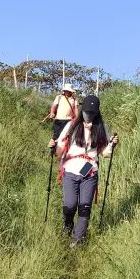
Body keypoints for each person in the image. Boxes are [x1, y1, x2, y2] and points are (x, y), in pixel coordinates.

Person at [49, 94, 118, 247]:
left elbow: (105, 153)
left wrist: (112, 144)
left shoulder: (101, 127)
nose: (89, 116)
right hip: (70, 170)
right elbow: (60, 149)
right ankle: (67, 226)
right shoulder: (72, 125)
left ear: (97, 112)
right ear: (82, 110)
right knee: (70, 205)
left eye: (92, 113)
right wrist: (53, 147)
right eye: (87, 112)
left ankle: (78, 240)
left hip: (90, 172)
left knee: (85, 206)